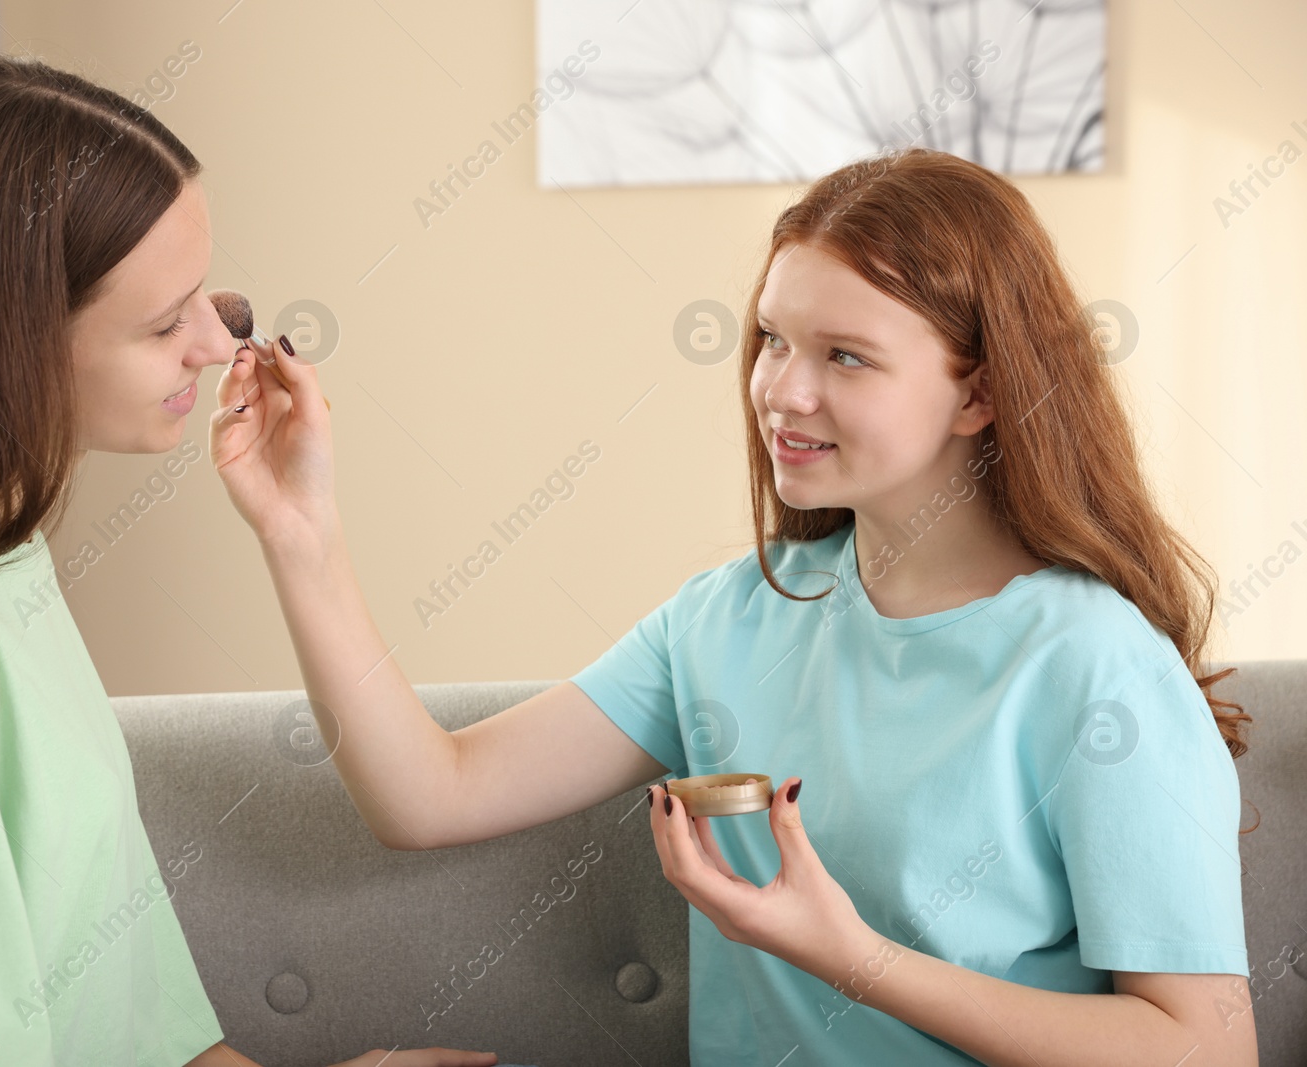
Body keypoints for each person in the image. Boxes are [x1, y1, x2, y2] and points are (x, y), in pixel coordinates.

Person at [212, 147, 1262, 1065]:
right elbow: (428, 796)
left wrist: (850, 956)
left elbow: (1201, 1046)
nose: (781, 391)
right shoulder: (731, 615)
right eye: (771, 339)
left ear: (978, 393)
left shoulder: (1092, 660)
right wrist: (301, 535)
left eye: (843, 355)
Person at [0, 51, 499, 1067]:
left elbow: (132, 1023)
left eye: (207, 299)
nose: (216, 344)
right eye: (166, 322)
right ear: (13, 346)